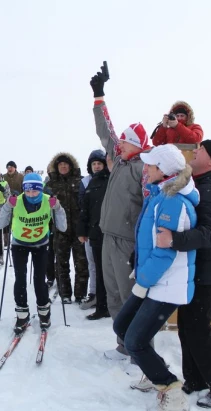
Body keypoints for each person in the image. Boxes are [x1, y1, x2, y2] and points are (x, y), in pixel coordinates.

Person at [114, 144, 199, 411]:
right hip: (152, 280)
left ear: (163, 170)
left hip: (167, 284)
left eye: (150, 165)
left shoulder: (172, 201)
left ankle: (171, 390)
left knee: (135, 341)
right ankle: (155, 372)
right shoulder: (159, 194)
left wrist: (143, 280)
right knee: (122, 327)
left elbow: (165, 253)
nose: (146, 169)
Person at [156, 140, 211, 408]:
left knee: (198, 329)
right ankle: (196, 380)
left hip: (208, 271)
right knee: (188, 328)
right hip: (198, 270)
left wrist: (174, 239)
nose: (195, 152)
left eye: (201, 150)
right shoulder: (202, 183)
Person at [90, 66, 150, 359]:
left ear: (136, 146)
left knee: (130, 297)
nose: (119, 144)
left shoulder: (145, 168)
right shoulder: (120, 159)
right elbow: (106, 131)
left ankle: (141, 347)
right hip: (107, 236)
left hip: (128, 242)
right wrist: (99, 97)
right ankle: (124, 343)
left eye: (125, 141)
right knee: (113, 294)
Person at [0, 173, 66, 332]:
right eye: (28, 191)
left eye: (35, 191)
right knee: (20, 278)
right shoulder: (17, 201)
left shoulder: (49, 201)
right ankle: (22, 315)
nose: (31, 194)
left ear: (40, 190)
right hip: (19, 244)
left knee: (39, 279)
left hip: (40, 244)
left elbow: (63, 227)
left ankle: (44, 313)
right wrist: (8, 205)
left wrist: (58, 208)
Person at [45, 152, 89, 304]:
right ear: (56, 167)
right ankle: (65, 293)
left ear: (71, 166)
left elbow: (86, 204)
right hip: (59, 230)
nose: (63, 166)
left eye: (66, 164)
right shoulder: (50, 185)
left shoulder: (80, 182)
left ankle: (80, 294)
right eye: (60, 164)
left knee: (81, 263)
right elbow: (43, 206)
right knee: (61, 263)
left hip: (78, 229)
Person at [77, 150, 111, 320]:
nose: (97, 167)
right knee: (98, 269)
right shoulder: (90, 183)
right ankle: (101, 306)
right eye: (94, 164)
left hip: (111, 232)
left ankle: (112, 305)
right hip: (95, 233)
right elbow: (84, 209)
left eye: (100, 163)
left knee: (111, 271)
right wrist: (82, 231)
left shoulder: (111, 180)